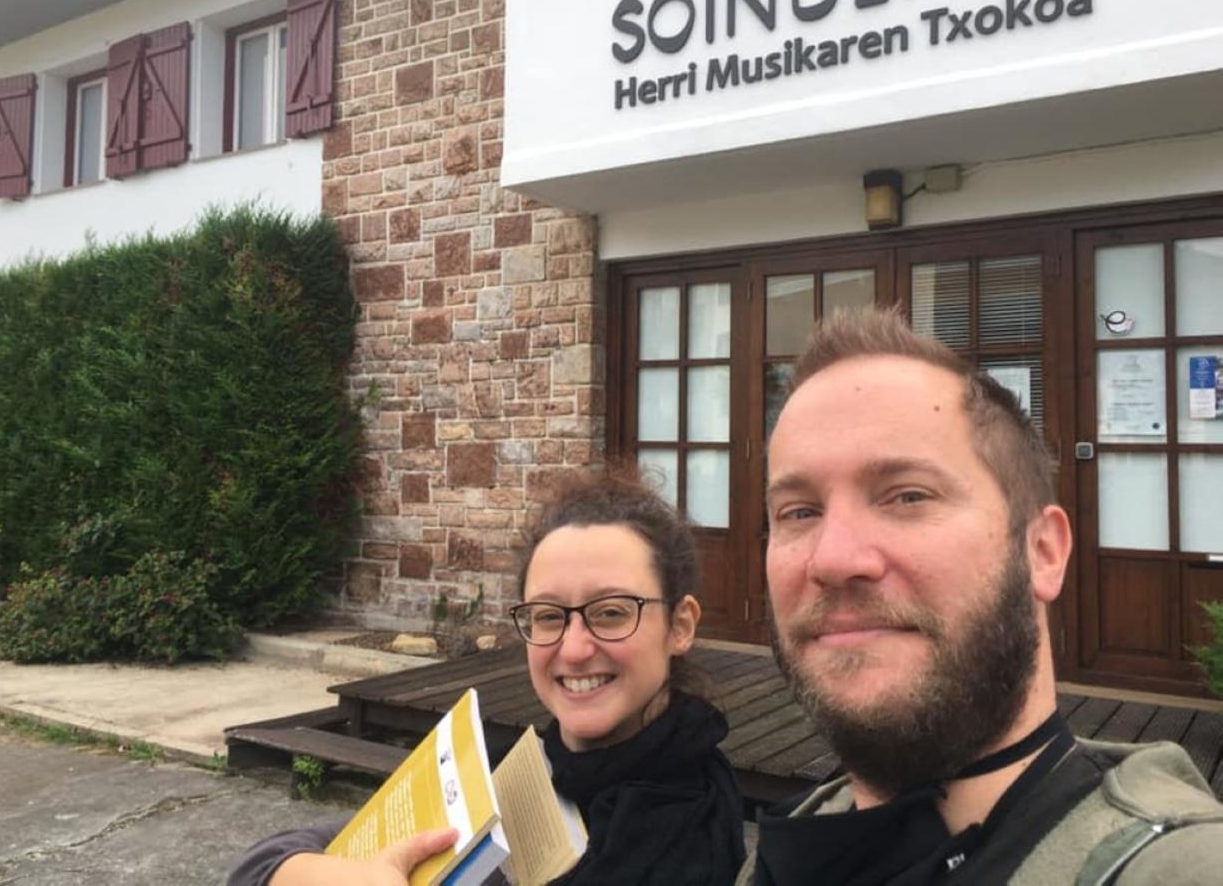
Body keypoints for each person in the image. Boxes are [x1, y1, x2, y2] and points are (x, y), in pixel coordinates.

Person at [738, 307, 1223, 885]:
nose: (834, 559)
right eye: (799, 512)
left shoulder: (1172, 866)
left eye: (908, 496)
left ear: (1043, 551)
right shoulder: (792, 844)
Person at [229, 472, 745, 886]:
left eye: (611, 613)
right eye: (548, 616)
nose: (574, 647)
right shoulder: (525, 771)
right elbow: (261, 865)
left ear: (680, 626)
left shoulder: (688, 828)